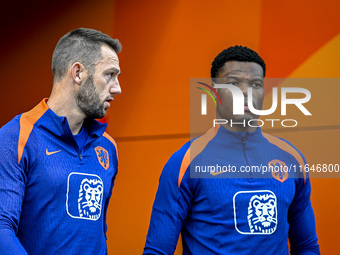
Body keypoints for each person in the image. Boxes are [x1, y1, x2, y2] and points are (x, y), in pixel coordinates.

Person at [143, 46, 320, 254]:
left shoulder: (292, 159)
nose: (245, 92)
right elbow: (158, 250)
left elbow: (306, 246)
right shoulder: (186, 162)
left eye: (256, 84)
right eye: (234, 83)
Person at [0, 28, 122, 254]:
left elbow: (99, 234)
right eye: (109, 75)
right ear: (78, 73)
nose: (117, 88)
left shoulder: (108, 147)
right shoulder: (16, 137)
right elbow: (1, 228)